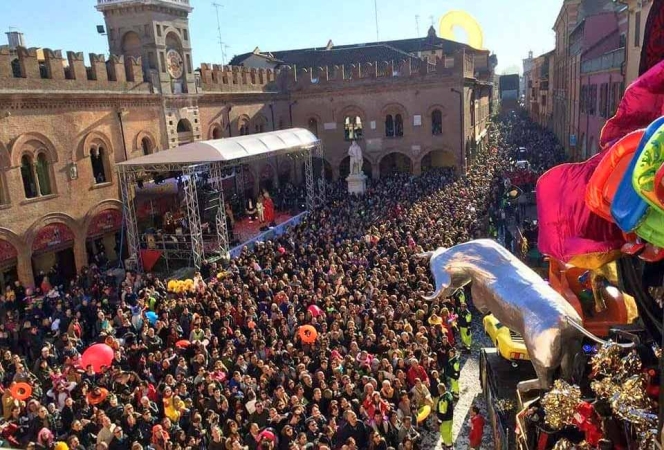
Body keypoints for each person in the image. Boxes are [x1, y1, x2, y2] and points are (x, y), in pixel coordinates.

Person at [436, 384, 454, 450]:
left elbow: (442, 413)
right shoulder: (448, 394)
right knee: (449, 432)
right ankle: (448, 443)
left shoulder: (443, 400)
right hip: (450, 418)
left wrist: (439, 422)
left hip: (445, 420)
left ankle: (448, 447)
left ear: (439, 390)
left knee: (445, 433)